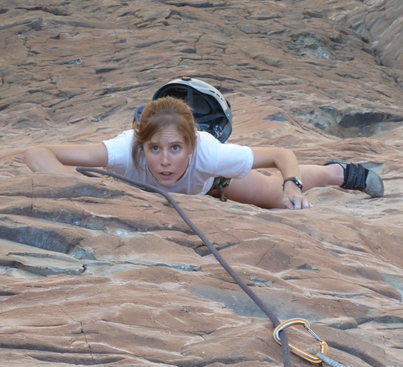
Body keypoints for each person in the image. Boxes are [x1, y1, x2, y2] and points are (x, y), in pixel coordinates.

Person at [23, 78, 384, 210]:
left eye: (176, 148)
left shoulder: (210, 153)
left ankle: (339, 173)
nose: (164, 160)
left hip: (209, 181)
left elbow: (279, 155)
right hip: (185, 187)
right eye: (155, 149)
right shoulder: (124, 148)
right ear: (141, 143)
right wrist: (76, 185)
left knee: (275, 196)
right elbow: (38, 151)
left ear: (193, 145)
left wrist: (293, 183)